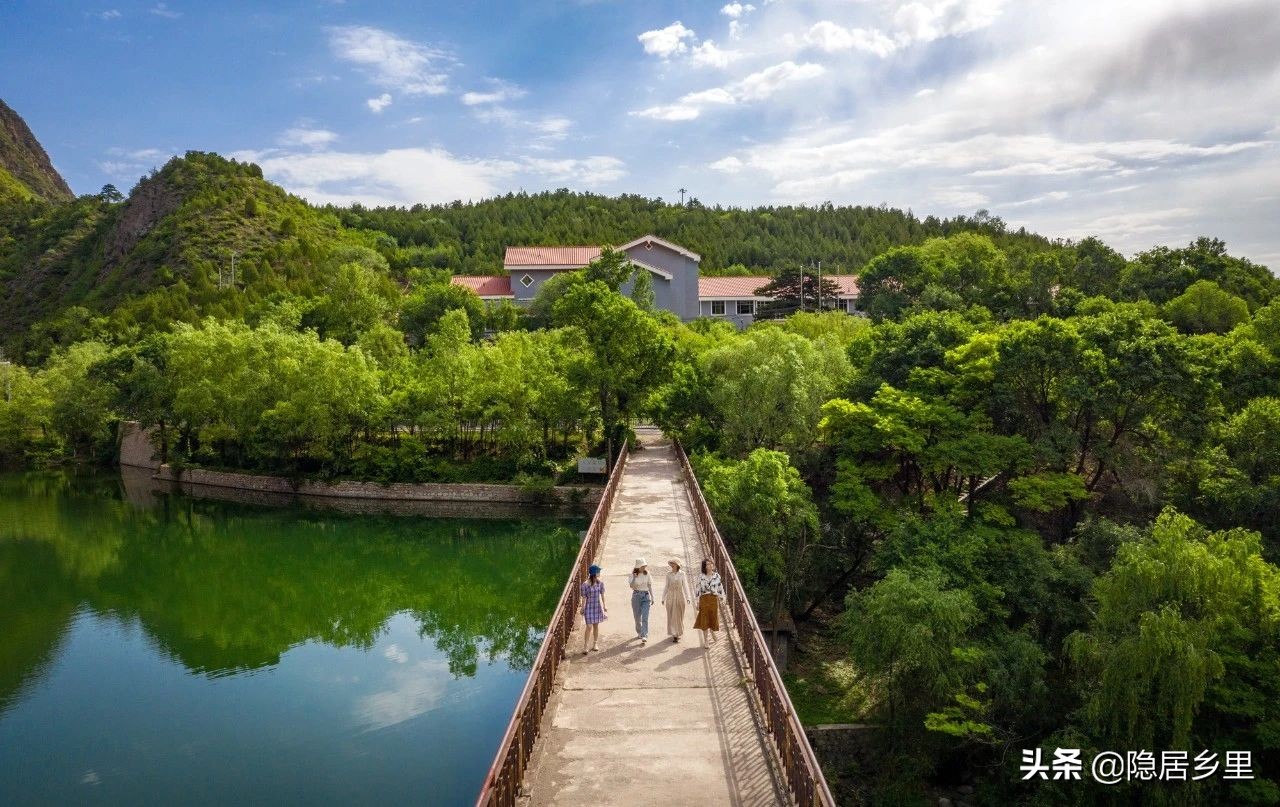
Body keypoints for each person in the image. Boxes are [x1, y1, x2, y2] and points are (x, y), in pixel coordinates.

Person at [693, 558, 726, 645]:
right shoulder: (701, 577)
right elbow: (697, 590)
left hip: (713, 599)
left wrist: (723, 598)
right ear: (704, 566)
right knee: (704, 619)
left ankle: (712, 631)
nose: (710, 565)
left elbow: (720, 588)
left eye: (711, 564)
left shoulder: (717, 576)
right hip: (704, 599)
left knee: (713, 618)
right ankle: (706, 640)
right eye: (707, 564)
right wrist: (697, 602)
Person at [580, 564, 607, 654]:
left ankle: (595, 643)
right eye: (598, 571)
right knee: (589, 626)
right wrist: (582, 608)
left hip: (597, 606)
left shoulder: (600, 583)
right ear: (594, 573)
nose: (599, 573)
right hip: (588, 607)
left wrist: (604, 605)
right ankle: (585, 646)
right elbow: (584, 597)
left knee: (596, 625)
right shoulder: (585, 584)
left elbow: (602, 595)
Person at [662, 558, 690, 643]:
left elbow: (685, 586)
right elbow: (666, 586)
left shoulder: (682, 574)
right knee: (671, 614)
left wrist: (688, 597)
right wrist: (663, 597)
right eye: (671, 564)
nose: (672, 566)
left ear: (677, 565)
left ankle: (678, 631)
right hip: (670, 596)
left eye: (673, 564)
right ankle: (675, 634)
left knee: (679, 615)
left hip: (679, 595)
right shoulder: (668, 574)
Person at [628, 558, 655, 645]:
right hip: (636, 596)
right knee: (637, 618)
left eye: (644, 566)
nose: (644, 567)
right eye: (642, 566)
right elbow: (631, 586)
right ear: (638, 567)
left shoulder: (647, 574)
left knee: (645, 617)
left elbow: (650, 585)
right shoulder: (632, 575)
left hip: (646, 596)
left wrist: (652, 597)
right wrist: (635, 578)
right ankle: (639, 632)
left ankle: (644, 635)